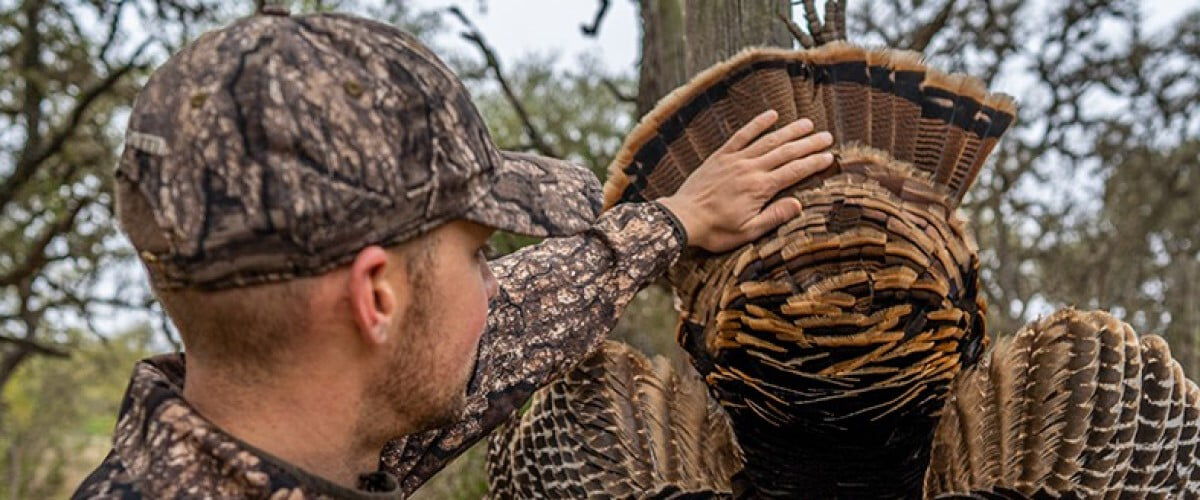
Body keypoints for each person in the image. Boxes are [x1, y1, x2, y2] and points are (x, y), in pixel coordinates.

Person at [73, 7, 834, 499]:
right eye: (478, 255)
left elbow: (505, 329)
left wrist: (671, 222)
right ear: (376, 298)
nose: (498, 291)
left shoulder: (307, 431)